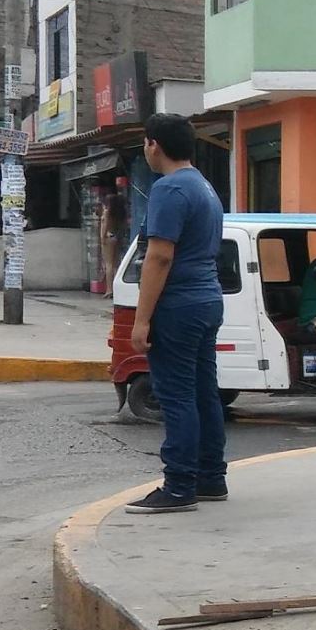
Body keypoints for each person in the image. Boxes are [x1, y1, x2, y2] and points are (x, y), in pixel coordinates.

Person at [126, 113, 228, 515]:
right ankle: (210, 477)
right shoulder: (204, 186)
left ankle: (180, 483)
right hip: (207, 299)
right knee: (204, 392)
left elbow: (160, 256)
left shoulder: (169, 189)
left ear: (154, 144)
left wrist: (141, 318)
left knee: (177, 395)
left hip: (178, 304)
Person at [100, 191, 129, 296]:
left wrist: (102, 237)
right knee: (116, 264)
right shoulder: (120, 214)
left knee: (108, 264)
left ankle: (109, 289)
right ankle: (118, 288)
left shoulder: (107, 212)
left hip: (108, 237)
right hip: (116, 236)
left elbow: (105, 225)